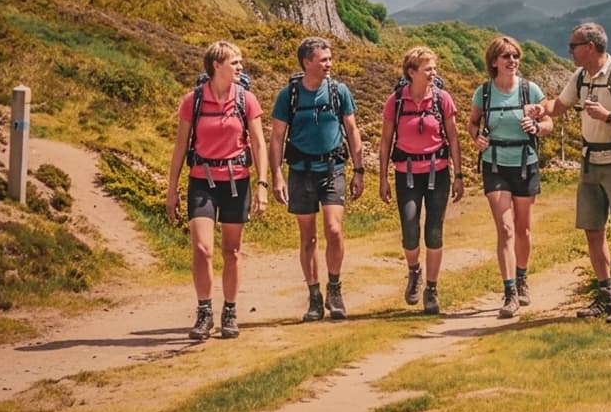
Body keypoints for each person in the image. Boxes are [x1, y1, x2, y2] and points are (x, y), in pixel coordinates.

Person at [525, 22, 611, 323]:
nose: (570, 51)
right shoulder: (581, 76)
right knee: (593, 231)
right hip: (590, 161)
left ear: (590, 47)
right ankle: (607, 298)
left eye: (574, 46)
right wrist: (542, 110)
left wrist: (608, 116)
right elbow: (559, 105)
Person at [166, 41, 269, 340]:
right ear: (216, 65)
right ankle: (204, 312)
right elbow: (180, 146)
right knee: (202, 249)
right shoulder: (193, 101)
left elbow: (260, 144)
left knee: (232, 251)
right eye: (234, 62)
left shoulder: (246, 99)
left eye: (240, 62)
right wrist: (171, 190)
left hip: (237, 181)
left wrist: (262, 185)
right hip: (202, 181)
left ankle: (230, 311)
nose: (240, 67)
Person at [269, 37, 365, 322]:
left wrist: (359, 171)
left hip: (333, 168)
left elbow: (352, 129)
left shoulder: (339, 91)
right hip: (300, 171)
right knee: (308, 236)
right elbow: (276, 138)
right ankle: (314, 297)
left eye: (329, 58)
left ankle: (334, 288)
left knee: (334, 230)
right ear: (307, 62)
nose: (329, 64)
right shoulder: (289, 95)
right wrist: (276, 176)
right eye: (323, 59)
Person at [468, 35, 552, 319]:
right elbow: (473, 123)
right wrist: (477, 138)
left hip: (525, 164)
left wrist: (538, 127)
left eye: (515, 56)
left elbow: (549, 120)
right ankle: (510, 292)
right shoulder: (484, 93)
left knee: (523, 229)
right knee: (505, 229)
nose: (512, 61)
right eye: (506, 56)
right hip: (494, 165)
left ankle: (522, 276)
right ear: (494, 61)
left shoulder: (530, 90)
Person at [379, 46, 463, 315]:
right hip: (407, 174)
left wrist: (459, 175)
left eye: (434, 68)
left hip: (438, 173)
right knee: (410, 228)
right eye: (428, 69)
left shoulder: (442, 99)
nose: (433, 73)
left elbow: (454, 138)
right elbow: (385, 141)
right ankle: (414, 270)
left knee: (434, 231)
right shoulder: (396, 102)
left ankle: (432, 288)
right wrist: (382, 178)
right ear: (411, 72)